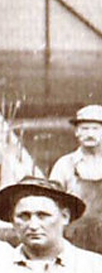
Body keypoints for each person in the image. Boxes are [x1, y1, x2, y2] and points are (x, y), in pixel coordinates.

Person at [49, 104, 102, 252]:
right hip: (74, 240)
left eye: (95, 129)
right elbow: (52, 205)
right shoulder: (65, 165)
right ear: (77, 132)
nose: (90, 134)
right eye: (84, 129)